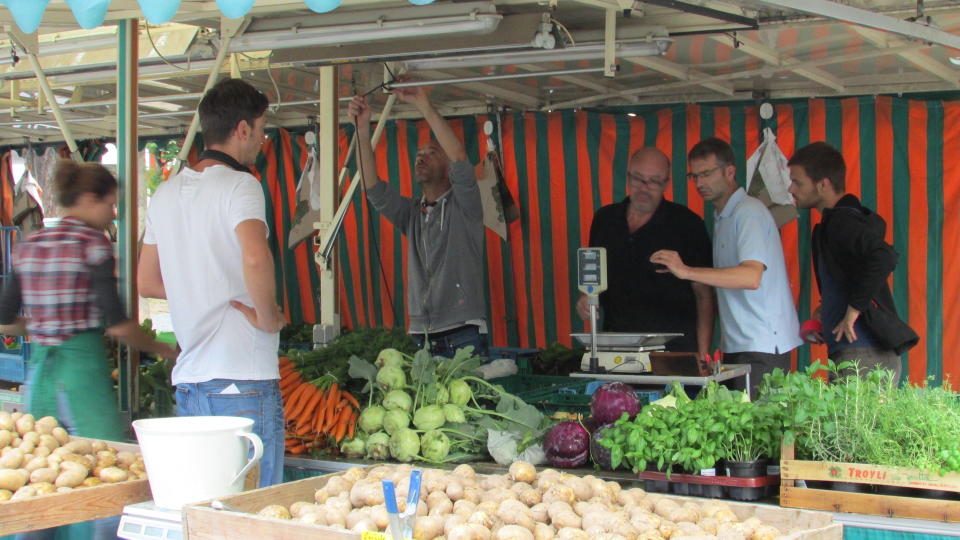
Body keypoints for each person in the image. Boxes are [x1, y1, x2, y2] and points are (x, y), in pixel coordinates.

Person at [0, 160, 177, 540]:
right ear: (86, 199)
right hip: (81, 380)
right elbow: (117, 325)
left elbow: (6, 321)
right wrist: (165, 349)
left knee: (41, 474)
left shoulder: (30, 245)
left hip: (41, 381)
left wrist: (44, 325)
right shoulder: (91, 245)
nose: (113, 214)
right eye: (109, 205)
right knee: (101, 476)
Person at [137, 78, 286, 487]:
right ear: (242, 129)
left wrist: (198, 284)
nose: (262, 139)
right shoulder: (241, 186)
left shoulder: (165, 194)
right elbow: (256, 255)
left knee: (207, 510)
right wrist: (268, 315)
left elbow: (146, 281)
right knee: (251, 515)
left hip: (191, 384)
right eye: (260, 129)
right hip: (243, 380)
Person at [651, 137, 801, 396]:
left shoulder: (748, 212)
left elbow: (752, 276)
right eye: (694, 176)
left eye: (706, 174)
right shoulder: (723, 215)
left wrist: (685, 270)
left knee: (755, 432)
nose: (699, 183)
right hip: (740, 344)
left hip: (761, 345)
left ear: (730, 172)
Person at [348, 87, 488, 359]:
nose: (420, 156)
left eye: (432, 152)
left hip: (463, 330)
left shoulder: (465, 206)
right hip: (421, 333)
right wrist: (362, 130)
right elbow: (372, 188)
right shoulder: (413, 213)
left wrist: (423, 104)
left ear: (448, 167)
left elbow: (459, 157)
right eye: (419, 153)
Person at [787, 142, 913, 383]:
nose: (791, 189)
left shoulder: (842, 222)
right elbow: (849, 274)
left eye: (798, 182)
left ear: (823, 184)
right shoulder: (834, 223)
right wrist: (828, 310)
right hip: (856, 352)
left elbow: (884, 256)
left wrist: (852, 312)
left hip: (864, 354)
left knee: (853, 422)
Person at [575, 147, 715, 359]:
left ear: (666, 183)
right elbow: (596, 280)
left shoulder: (687, 224)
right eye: (638, 179)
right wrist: (587, 299)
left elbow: (704, 295)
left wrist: (703, 354)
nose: (644, 187)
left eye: (654, 181)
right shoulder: (605, 219)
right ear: (628, 177)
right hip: (617, 349)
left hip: (672, 353)